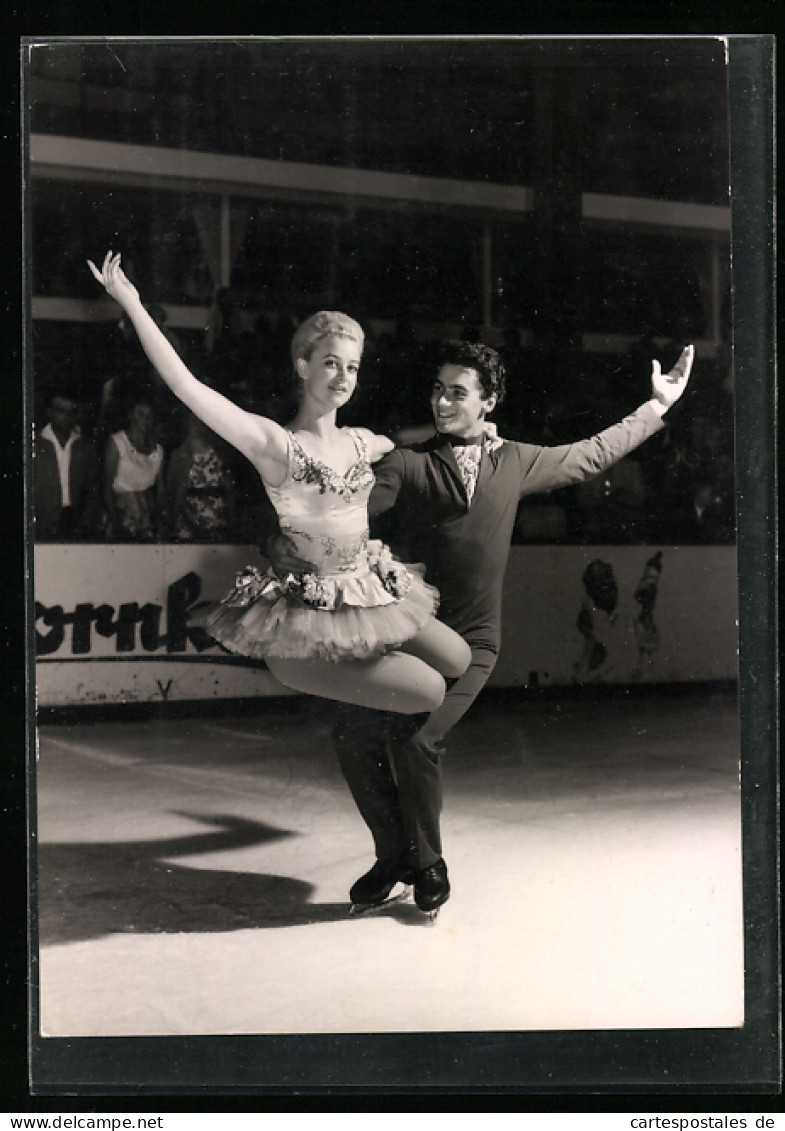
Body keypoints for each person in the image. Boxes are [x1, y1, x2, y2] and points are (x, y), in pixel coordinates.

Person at [88, 251, 471, 910]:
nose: (343, 376)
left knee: (459, 658)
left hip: (371, 594)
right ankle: (407, 846)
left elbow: (415, 433)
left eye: (352, 366)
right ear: (301, 366)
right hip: (308, 621)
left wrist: (472, 418)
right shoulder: (274, 444)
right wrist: (132, 305)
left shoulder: (359, 441)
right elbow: (187, 387)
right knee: (426, 688)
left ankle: (397, 831)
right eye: (330, 363)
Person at [267, 338, 695, 912]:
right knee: (352, 734)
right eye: (438, 391)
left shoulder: (515, 461)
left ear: (487, 401)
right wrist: (290, 538)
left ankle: (427, 861)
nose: (443, 402)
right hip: (410, 634)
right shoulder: (409, 462)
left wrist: (656, 408)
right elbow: (349, 514)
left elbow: (589, 455)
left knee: (418, 737)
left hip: (477, 642)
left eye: (458, 393)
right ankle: (394, 856)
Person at [33, 388, 100, 540]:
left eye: (72, 412)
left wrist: (86, 522)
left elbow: (93, 488)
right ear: (50, 412)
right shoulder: (35, 445)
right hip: (43, 525)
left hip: (76, 523)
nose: (67, 417)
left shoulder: (84, 446)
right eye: (61, 411)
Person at [102, 394, 167, 541]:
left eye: (149, 416)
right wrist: (117, 523)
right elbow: (106, 488)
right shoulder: (117, 442)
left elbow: (161, 492)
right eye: (141, 414)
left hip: (147, 519)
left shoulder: (158, 451)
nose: (146, 420)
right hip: (120, 515)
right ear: (131, 416)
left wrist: (162, 519)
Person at [167, 412, 237, 542]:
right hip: (188, 522)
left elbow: (229, 491)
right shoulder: (178, 455)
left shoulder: (220, 453)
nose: (197, 426)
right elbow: (173, 492)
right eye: (193, 421)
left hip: (217, 522)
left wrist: (232, 521)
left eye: (201, 422)